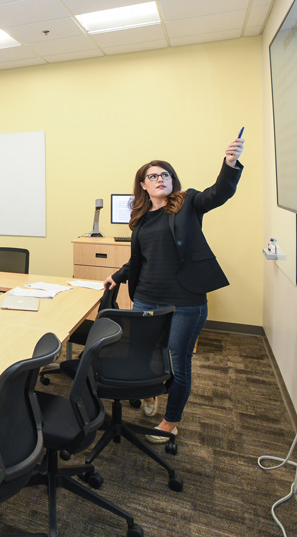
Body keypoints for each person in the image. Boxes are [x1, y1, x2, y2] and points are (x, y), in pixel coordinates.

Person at [105, 137, 245, 444]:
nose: (160, 179)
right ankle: (149, 394)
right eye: (153, 176)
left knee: (177, 360)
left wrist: (230, 164)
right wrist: (117, 276)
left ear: (172, 181)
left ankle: (171, 422)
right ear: (143, 184)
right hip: (145, 297)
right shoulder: (140, 220)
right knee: (141, 352)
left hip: (185, 300)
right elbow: (139, 259)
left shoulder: (188, 204)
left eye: (165, 174)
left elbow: (219, 193)